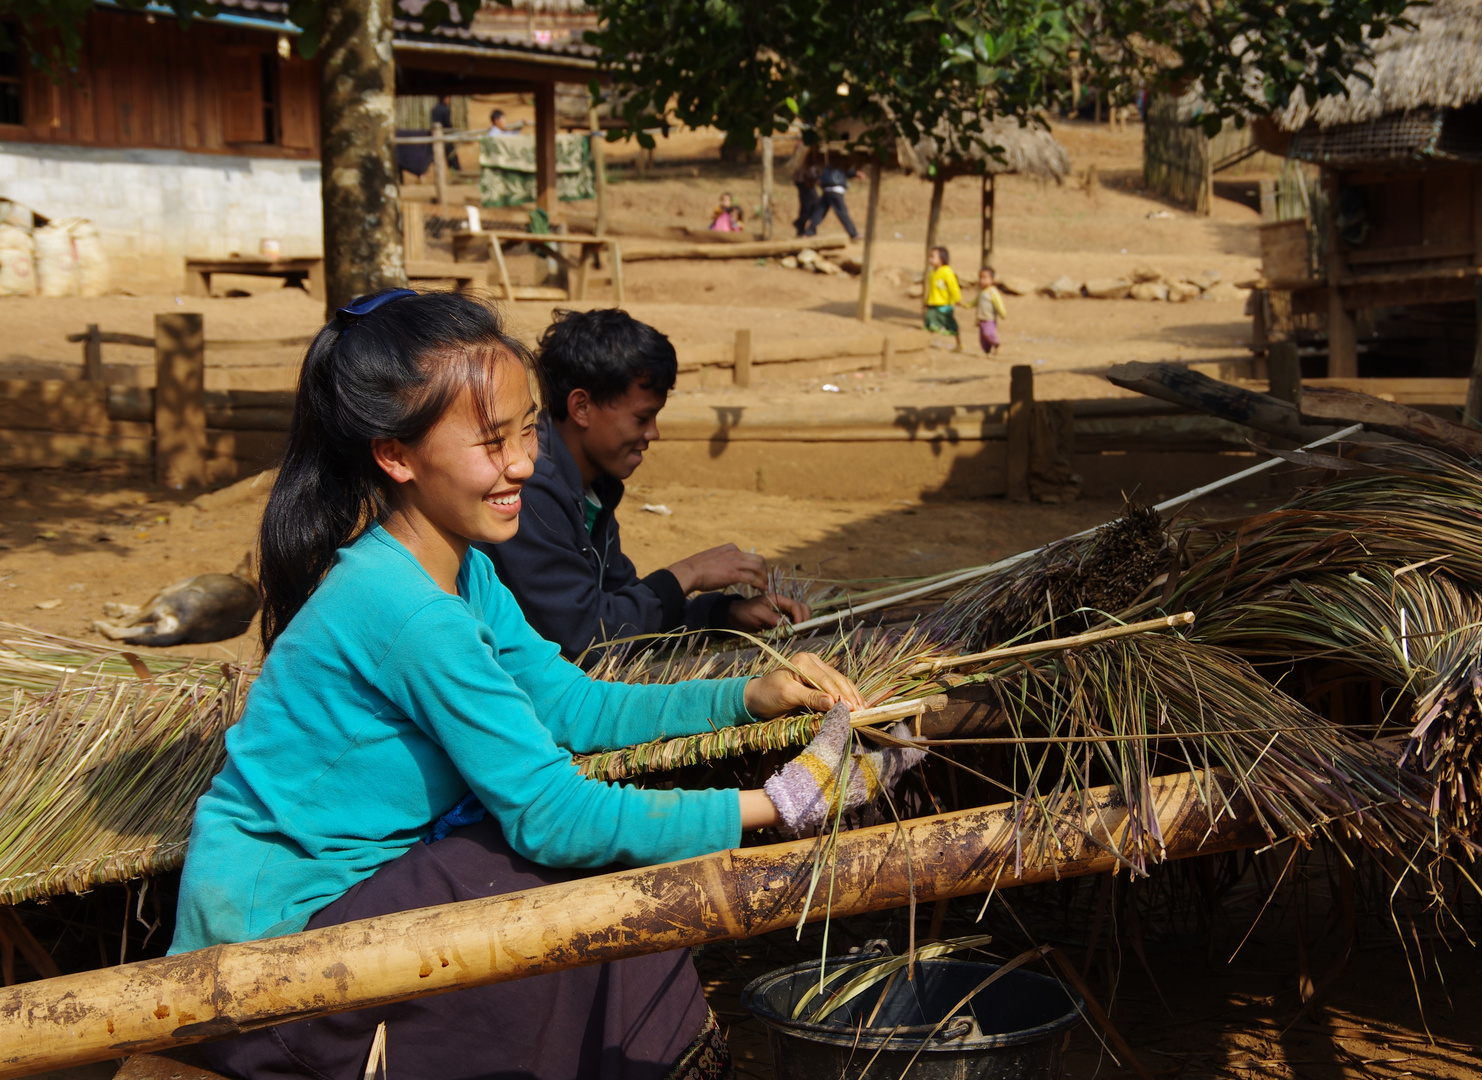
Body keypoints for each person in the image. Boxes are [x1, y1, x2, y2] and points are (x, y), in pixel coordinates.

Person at [169, 288, 921, 1080]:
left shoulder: (463, 573)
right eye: (492, 442)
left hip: (348, 918)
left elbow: (572, 704)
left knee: (582, 884)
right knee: (572, 873)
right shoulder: (406, 611)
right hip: (264, 978)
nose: (524, 463)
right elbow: (553, 818)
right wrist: (782, 804)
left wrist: (744, 696)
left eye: (527, 431)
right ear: (395, 455)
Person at [478, 308, 811, 663]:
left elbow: (625, 604)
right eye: (642, 418)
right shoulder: (532, 488)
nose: (653, 434)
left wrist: (720, 615)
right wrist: (688, 572)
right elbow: (587, 640)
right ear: (581, 407)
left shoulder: (593, 487)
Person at [803, 163, 859, 240]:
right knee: (842, 212)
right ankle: (853, 234)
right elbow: (846, 171)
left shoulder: (826, 166)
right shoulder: (839, 164)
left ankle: (810, 232)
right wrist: (855, 173)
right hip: (836, 190)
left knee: (820, 211)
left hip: (827, 190)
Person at [924, 246, 962, 351]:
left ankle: (958, 343)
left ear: (941, 259)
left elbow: (953, 286)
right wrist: (927, 301)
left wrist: (957, 298)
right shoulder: (932, 273)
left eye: (933, 257)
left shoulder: (947, 272)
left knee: (950, 324)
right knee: (929, 319)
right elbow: (931, 289)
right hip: (933, 303)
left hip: (944, 304)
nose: (930, 259)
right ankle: (928, 341)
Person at [970, 265, 1007, 357]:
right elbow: (974, 302)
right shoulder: (981, 292)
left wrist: (1002, 313)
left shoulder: (992, 292)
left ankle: (997, 345)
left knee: (988, 333)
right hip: (981, 318)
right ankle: (987, 353)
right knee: (982, 339)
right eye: (980, 278)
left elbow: (998, 303)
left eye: (985, 278)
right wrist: (964, 305)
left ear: (992, 279)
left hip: (989, 318)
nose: (982, 280)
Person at [429, 94, 461, 171]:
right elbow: (447, 124)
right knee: (451, 155)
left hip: (435, 136)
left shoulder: (434, 109)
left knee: (435, 156)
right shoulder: (445, 110)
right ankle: (457, 171)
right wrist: (453, 135)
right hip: (445, 136)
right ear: (445, 99)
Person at [792, 159, 822, 236]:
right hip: (804, 182)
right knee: (811, 205)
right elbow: (809, 171)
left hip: (805, 182)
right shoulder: (805, 150)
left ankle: (802, 227)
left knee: (807, 206)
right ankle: (801, 224)